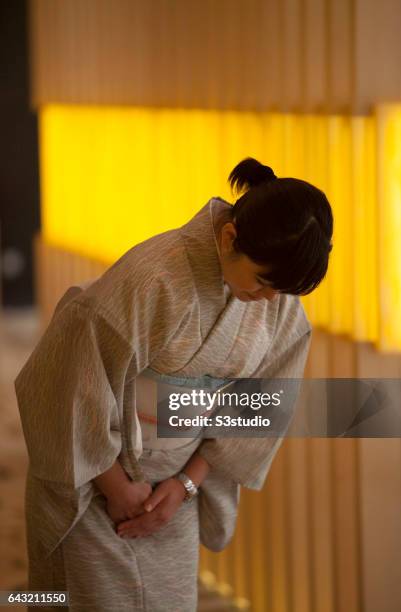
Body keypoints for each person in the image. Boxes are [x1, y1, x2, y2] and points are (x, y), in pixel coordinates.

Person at [15, 157, 333, 611]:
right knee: (78, 598)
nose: (267, 299)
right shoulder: (153, 277)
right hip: (96, 473)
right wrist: (117, 488)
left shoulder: (278, 306)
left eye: (279, 291)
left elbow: (261, 402)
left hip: (177, 486)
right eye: (263, 282)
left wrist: (186, 483)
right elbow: (68, 384)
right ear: (229, 238)